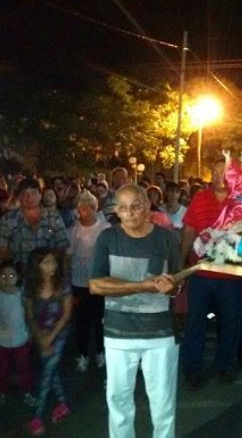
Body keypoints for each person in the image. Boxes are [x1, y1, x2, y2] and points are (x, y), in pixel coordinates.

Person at [89, 185, 180, 438]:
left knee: (163, 404)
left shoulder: (167, 239)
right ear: (116, 210)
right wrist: (142, 286)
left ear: (148, 205)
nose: (130, 213)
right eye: (123, 207)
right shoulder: (107, 238)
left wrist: (171, 288)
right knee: (118, 402)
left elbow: (177, 286)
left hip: (160, 335)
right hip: (118, 334)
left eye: (136, 205)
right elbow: (95, 285)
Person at [180, 158, 242, 388]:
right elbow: (189, 231)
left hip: (231, 275)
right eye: (216, 171)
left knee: (230, 322)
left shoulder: (241, 202)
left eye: (225, 172)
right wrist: (181, 261)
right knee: (195, 322)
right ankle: (192, 370)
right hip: (201, 274)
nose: (220, 176)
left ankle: (225, 365)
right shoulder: (200, 198)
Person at [25, 247, 73, 436]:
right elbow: (30, 315)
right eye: (46, 262)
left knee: (47, 372)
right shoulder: (30, 285)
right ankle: (64, 404)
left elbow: (66, 314)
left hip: (59, 332)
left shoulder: (63, 283)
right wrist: (39, 337)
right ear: (36, 266)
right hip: (40, 332)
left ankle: (36, 416)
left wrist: (49, 339)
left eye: (53, 261)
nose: (51, 266)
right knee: (51, 371)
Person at [67, 192, 110, 373]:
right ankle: (83, 354)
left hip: (99, 280)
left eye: (90, 207)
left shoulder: (105, 228)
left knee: (101, 319)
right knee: (82, 321)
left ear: (95, 208)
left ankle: (101, 351)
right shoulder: (73, 230)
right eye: (82, 207)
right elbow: (69, 254)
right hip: (79, 280)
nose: (86, 211)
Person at [0, 261, 36, 409]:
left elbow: (30, 314)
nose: (7, 278)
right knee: (1, 368)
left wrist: (32, 333)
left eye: (11, 275)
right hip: (0, 339)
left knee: (24, 368)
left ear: (18, 277)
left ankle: (28, 392)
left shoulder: (22, 294)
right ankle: (0, 392)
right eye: (3, 275)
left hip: (20, 338)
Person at [0, 178, 69, 266]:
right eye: (24, 193)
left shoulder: (54, 218)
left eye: (33, 193)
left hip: (46, 275)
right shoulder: (8, 219)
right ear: (19, 196)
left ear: (40, 195)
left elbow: (63, 246)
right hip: (19, 274)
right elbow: (0, 249)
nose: (29, 197)